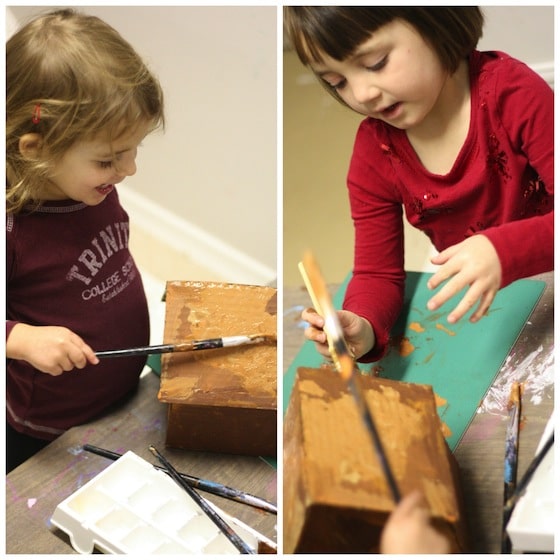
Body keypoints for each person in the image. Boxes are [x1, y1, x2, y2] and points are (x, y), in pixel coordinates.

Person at [285, 7, 553, 365]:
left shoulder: (512, 93)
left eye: (376, 62)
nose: (361, 94)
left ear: (434, 19)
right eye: (338, 82)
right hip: (493, 312)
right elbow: (377, 273)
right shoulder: (374, 152)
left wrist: (502, 251)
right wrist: (363, 327)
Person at [5, 9, 164, 472]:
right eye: (109, 159)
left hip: (122, 390)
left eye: (134, 150)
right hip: (46, 429)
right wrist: (21, 339)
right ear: (35, 149)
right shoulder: (13, 227)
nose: (128, 170)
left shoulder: (92, 187)